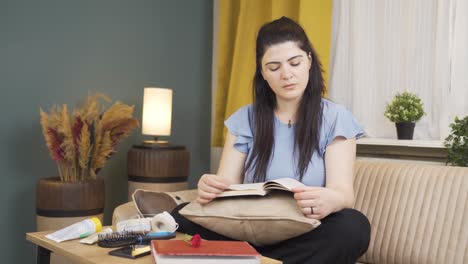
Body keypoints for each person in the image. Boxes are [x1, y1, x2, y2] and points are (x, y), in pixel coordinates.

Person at [172, 16, 370, 264]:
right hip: (251, 227)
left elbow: (343, 193)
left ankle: (253, 260)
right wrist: (211, 187)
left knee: (354, 227)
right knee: (178, 215)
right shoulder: (244, 119)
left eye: (294, 63)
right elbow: (227, 186)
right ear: (263, 73)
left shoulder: (335, 117)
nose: (286, 74)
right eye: (274, 67)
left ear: (309, 61)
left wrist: (330, 200)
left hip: (305, 227)